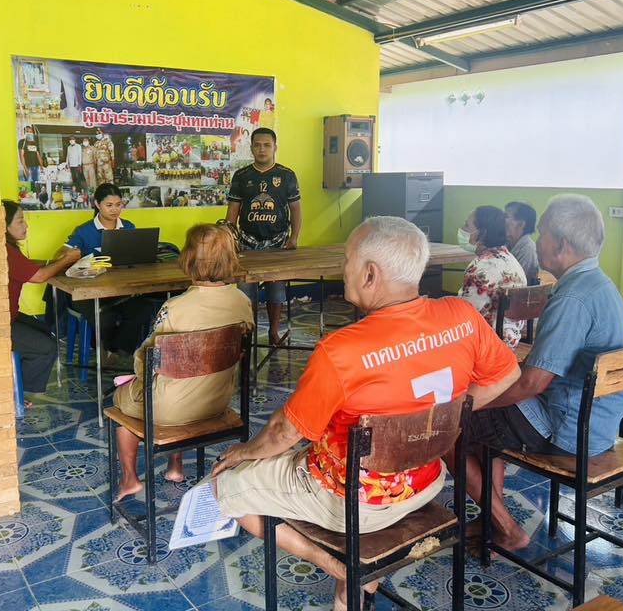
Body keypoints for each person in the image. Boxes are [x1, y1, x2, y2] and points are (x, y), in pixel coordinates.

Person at [211, 217, 520, 610]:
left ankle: (342, 567)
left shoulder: (341, 351)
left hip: (356, 503)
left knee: (225, 487)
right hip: (426, 481)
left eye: (347, 260)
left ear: (370, 274)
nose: (343, 269)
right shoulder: (462, 316)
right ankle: (353, 588)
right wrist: (452, 415)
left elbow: (284, 433)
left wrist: (242, 452)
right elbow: (508, 373)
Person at [462, 194, 623, 552]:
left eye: (542, 234)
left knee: (454, 429)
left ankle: (507, 528)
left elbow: (533, 383)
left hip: (568, 432)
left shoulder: (572, 298)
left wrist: (476, 403)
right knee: (486, 422)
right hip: (600, 424)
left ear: (562, 245)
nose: (538, 242)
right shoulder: (602, 284)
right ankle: (493, 517)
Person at [113, 223, 254, 499]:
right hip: (217, 402)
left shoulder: (175, 308)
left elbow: (146, 360)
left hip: (170, 411)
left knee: (121, 401)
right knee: (177, 385)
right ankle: (175, 465)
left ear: (188, 259)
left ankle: (129, 478)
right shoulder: (242, 301)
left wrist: (137, 375)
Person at [60, 183, 158, 359]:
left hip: (121, 290)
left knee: (142, 309)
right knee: (105, 317)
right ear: (97, 204)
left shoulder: (128, 227)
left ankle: (118, 352)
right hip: (90, 292)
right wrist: (72, 256)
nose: (115, 210)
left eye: (118, 205)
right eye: (109, 205)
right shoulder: (84, 231)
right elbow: (61, 254)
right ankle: (107, 351)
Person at [226, 128, 301, 346]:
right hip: (246, 243)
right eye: (257, 145)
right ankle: (248, 336)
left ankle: (274, 332)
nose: (262, 149)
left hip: (278, 243)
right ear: (251, 148)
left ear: (275, 148)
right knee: (245, 293)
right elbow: (232, 212)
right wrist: (229, 239)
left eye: (267, 145)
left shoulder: (287, 175)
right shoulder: (241, 176)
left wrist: (294, 238)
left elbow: (296, 209)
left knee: (276, 292)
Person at [3, 200, 80, 396]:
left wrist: (55, 262)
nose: (26, 225)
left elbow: (30, 266)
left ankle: (15, 382)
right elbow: (38, 276)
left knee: (45, 331)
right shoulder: (5, 251)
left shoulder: (7, 248)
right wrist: (66, 259)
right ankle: (18, 394)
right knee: (46, 348)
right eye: (20, 221)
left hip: (7, 316)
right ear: (4, 226)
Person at [457, 206, 526, 348]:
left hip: (488, 343)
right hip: (511, 339)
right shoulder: (509, 258)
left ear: (482, 233)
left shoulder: (481, 267)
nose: (462, 229)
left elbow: (467, 316)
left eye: (467, 225)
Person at [505, 201, 540, 285]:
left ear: (521, 224)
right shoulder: (506, 244)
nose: (501, 220)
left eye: (506, 216)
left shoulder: (528, 250)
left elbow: (517, 283)